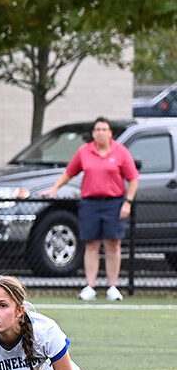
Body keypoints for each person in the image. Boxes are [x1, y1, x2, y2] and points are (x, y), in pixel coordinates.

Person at [40, 117, 138, 302]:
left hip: (113, 203)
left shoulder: (121, 152)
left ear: (110, 133)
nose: (100, 132)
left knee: (112, 244)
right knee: (91, 244)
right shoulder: (85, 151)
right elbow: (70, 172)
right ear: (93, 133)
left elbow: (133, 179)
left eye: (104, 129)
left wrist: (127, 202)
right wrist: (54, 188)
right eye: (97, 129)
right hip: (90, 203)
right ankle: (90, 286)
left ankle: (112, 286)